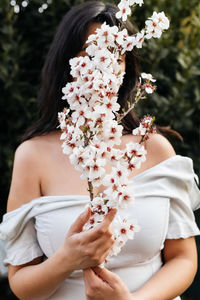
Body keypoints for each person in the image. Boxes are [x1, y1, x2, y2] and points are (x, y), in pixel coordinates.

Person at [0, 1, 200, 300]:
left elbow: (184, 258)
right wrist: (67, 259)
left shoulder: (155, 148)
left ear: (126, 68)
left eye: (115, 58)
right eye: (89, 56)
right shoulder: (32, 156)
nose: (102, 72)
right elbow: (21, 283)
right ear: (67, 65)